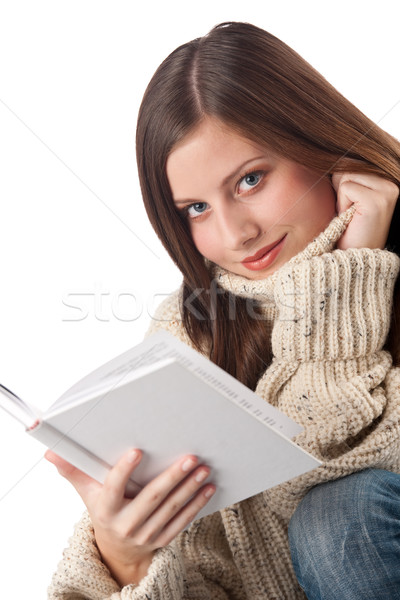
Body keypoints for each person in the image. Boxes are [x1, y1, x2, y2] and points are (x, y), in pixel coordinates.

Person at [45, 22, 400, 599]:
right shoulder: (188, 334)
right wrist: (125, 556)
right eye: (196, 208)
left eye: (251, 179)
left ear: (320, 144)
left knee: (338, 517)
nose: (236, 233)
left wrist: (347, 277)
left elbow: (330, 475)